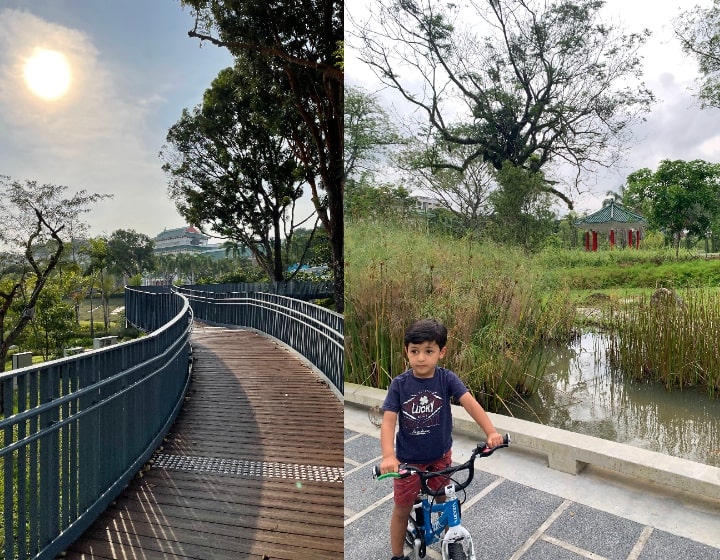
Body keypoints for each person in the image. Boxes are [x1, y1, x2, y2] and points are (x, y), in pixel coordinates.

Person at [379, 318, 504, 560]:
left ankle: (451, 538)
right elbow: (388, 421)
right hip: (408, 461)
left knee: (445, 500)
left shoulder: (446, 379)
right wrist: (388, 456)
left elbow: (470, 403)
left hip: (440, 457)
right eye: (414, 351)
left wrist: (491, 432)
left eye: (428, 351)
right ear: (406, 352)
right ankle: (396, 555)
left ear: (441, 352)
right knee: (403, 508)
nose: (421, 358)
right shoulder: (400, 385)